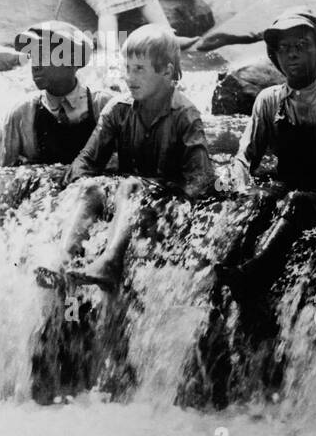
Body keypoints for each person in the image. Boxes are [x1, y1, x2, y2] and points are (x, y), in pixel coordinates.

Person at [215, 10, 316, 316]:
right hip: (288, 187)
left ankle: (255, 273)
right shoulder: (268, 100)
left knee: (298, 201)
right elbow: (244, 157)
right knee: (260, 202)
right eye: (285, 48)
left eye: (301, 46)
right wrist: (241, 187)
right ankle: (225, 273)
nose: (292, 54)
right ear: (275, 57)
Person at [41, 24, 214, 291]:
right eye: (127, 68)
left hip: (164, 202)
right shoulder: (118, 110)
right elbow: (87, 161)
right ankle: (62, 262)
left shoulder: (186, 116)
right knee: (91, 187)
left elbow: (201, 180)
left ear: (167, 72)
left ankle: (110, 262)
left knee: (131, 185)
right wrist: (73, 187)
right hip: (127, 197)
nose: (129, 78)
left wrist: (176, 208)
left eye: (139, 69)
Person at [0, 22, 114, 167]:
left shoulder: (105, 106)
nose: (35, 65)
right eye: (32, 56)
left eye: (43, 55)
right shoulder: (22, 112)